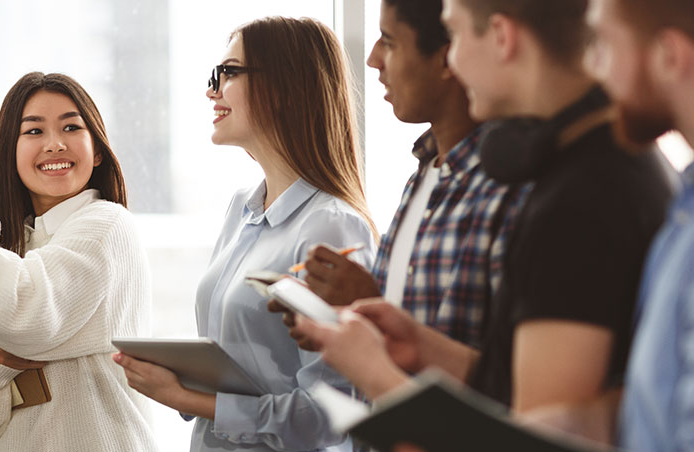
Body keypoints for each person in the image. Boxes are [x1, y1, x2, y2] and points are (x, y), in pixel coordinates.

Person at [293, 0, 675, 443]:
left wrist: (376, 373)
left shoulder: (582, 197)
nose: (451, 60)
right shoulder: (589, 168)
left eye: (454, 36)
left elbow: (538, 441)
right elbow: (517, 389)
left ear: (501, 36)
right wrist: (424, 349)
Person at [113, 17, 378, 452]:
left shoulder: (330, 226)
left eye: (228, 73)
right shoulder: (243, 209)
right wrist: (179, 376)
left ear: (285, 86)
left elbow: (332, 415)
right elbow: (241, 367)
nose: (212, 90)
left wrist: (186, 398)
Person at [0, 73, 158, 451]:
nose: (55, 144)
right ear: (9, 153)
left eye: (71, 127)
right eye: (33, 132)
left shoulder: (107, 225)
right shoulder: (15, 251)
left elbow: (20, 314)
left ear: (97, 151)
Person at [271, 0, 526, 354]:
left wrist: (368, 301)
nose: (373, 59)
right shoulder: (422, 176)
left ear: (446, 56)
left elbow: (501, 382)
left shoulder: (505, 188)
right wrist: (348, 317)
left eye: (388, 42)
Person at [515, 0, 694, 449]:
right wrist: (570, 425)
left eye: (605, 47)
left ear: (669, 56)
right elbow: (664, 405)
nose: (598, 73)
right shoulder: (683, 215)